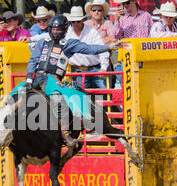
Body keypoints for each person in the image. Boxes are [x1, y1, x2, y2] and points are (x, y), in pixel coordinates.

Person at [12, 15, 124, 147]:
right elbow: (33, 60)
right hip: (36, 76)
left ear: (64, 30)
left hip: (52, 78)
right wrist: (29, 79)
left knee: (57, 98)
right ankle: (8, 128)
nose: (54, 31)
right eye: (53, 29)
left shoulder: (69, 44)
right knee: (15, 93)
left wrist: (111, 46)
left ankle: (65, 132)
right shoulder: (42, 42)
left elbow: (91, 49)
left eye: (58, 29)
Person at [64, 6, 109, 89]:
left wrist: (103, 68)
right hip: (78, 71)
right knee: (80, 96)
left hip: (96, 69)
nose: (75, 23)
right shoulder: (67, 33)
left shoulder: (92, 32)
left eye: (77, 21)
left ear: (83, 20)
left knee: (104, 93)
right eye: (73, 22)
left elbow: (102, 50)